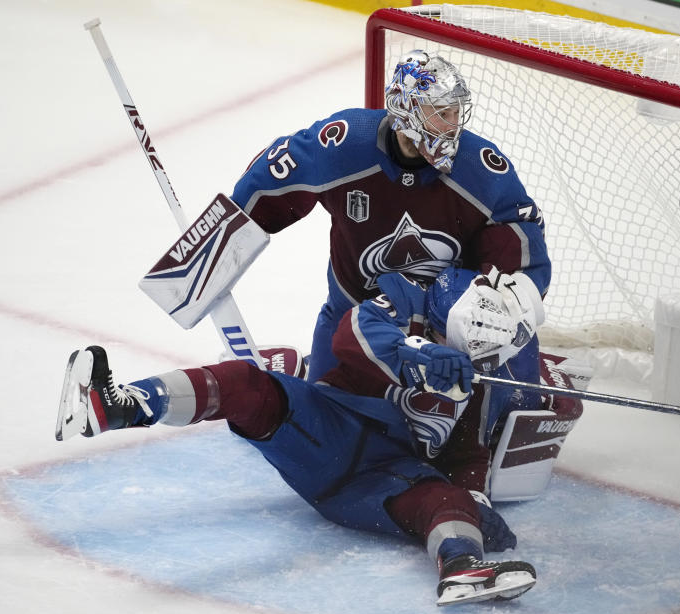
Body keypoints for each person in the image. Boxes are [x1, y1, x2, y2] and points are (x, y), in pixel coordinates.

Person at [56, 267, 538, 606]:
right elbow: (352, 337)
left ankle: (460, 567)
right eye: (476, 350)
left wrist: (473, 497)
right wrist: (416, 354)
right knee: (248, 386)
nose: (481, 363)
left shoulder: (481, 379)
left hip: (385, 481)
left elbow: (466, 450)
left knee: (444, 500)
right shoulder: (405, 300)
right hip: (331, 426)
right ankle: (122, 405)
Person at [230, 50, 551, 390]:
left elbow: (522, 245)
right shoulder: (345, 145)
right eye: (441, 112)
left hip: (447, 339)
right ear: (406, 111)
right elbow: (268, 180)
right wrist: (222, 237)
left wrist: (503, 310)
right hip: (352, 325)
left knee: (467, 433)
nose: (453, 123)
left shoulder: (480, 168)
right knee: (324, 417)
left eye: (456, 111)